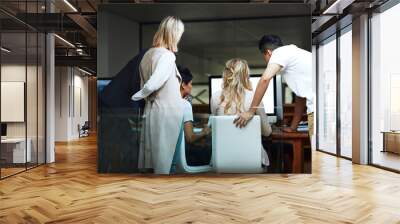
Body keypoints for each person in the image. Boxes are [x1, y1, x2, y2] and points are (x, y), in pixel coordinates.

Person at [131, 16, 185, 174]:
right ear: (173, 34)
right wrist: (138, 95)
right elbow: (153, 83)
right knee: (165, 163)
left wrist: (144, 95)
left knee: (153, 161)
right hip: (167, 115)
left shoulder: (148, 55)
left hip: (152, 111)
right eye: (179, 34)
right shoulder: (167, 56)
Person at [234, 34, 314, 139]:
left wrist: (250, 111)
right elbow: (301, 96)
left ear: (268, 52)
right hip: (325, 107)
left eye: (265, 57)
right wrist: (293, 127)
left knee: (319, 152)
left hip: (317, 109)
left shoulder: (279, 53)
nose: (267, 62)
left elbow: (265, 80)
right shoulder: (294, 53)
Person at [210, 58, 271, 167]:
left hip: (223, 161)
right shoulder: (255, 98)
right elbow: (267, 132)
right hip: (253, 161)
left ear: (226, 74)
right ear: (246, 76)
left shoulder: (215, 97)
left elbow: (215, 129)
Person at [178, 66, 212, 166]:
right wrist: (204, 132)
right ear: (183, 85)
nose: (192, 86)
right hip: (185, 159)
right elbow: (190, 138)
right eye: (191, 84)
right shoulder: (185, 104)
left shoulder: (163, 102)